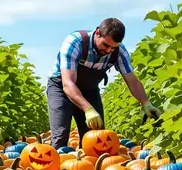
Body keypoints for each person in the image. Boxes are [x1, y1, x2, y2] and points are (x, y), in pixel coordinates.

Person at [46, 18, 161, 149]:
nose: (108, 51)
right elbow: (68, 83)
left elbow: (132, 81)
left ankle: (91, 168)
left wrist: (145, 102)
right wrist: (88, 109)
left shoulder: (119, 52)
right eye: (106, 45)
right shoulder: (74, 43)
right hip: (61, 88)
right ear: (98, 33)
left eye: (113, 47)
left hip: (89, 90)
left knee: (97, 138)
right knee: (60, 136)